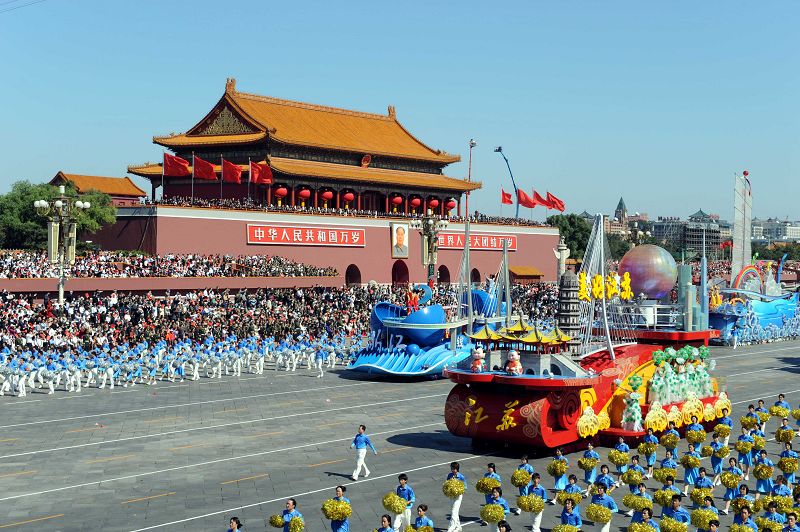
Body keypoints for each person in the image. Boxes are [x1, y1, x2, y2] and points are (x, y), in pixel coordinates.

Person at [446, 462, 466, 532]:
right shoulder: (449, 475)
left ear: (457, 469)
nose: (453, 470)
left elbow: (465, 487)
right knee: (454, 511)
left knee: (454, 511)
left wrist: (459, 490)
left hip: (458, 496)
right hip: (451, 495)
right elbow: (447, 484)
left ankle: (451, 527)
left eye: (454, 469)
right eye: (452, 468)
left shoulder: (461, 477)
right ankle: (458, 527)